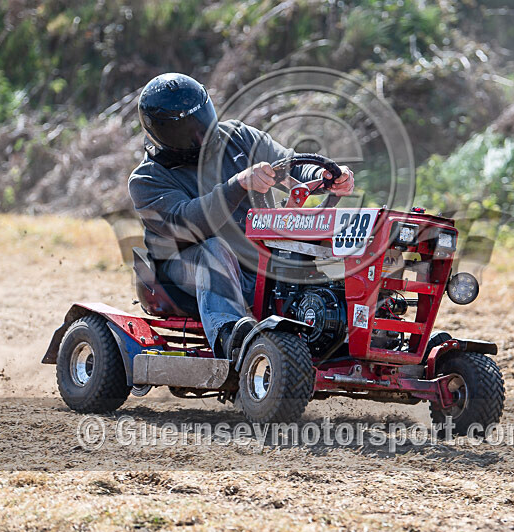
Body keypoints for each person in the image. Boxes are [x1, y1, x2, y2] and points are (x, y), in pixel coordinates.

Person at [128, 73, 354, 359]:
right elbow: (188, 224)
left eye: (202, 122)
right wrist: (239, 184)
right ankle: (231, 337)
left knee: (314, 247)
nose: (200, 135)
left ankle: (338, 329)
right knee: (213, 250)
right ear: (162, 133)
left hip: (257, 257)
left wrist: (326, 176)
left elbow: (291, 166)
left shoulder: (238, 138)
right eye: (187, 130)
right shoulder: (147, 179)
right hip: (184, 269)